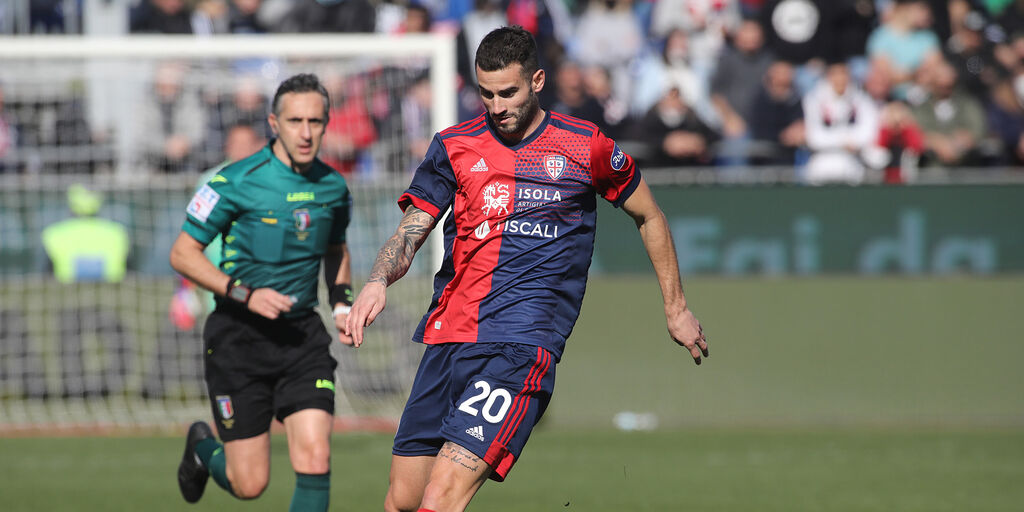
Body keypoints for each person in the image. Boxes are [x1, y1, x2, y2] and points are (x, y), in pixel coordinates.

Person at [345, 26, 708, 512]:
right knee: (403, 501)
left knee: (441, 497)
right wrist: (376, 280)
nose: (497, 106)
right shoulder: (454, 146)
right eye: (486, 94)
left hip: (519, 344)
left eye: (508, 92)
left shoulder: (585, 146)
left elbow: (649, 214)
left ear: (537, 80)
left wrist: (676, 307)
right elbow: (412, 230)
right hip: (448, 336)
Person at [169, 73, 354, 512]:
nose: (306, 133)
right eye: (295, 121)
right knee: (248, 484)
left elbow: (335, 248)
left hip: (302, 338)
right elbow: (182, 253)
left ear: (327, 123)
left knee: (316, 454)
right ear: (274, 122)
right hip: (239, 337)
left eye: (315, 121)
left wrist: (343, 301)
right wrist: (243, 293)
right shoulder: (236, 180)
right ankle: (202, 448)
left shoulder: (334, 187)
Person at [41, 184, 130, 283]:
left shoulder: (54, 233)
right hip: (113, 288)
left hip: (67, 288)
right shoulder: (117, 231)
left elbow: (45, 271)